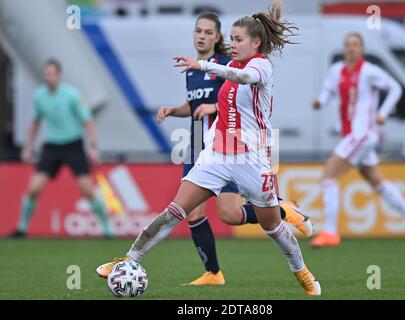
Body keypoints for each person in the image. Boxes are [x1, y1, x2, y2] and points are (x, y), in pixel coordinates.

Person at [97, 0, 321, 296]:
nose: (233, 44)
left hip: (252, 159)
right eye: (231, 39)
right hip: (216, 154)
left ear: (256, 42)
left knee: (273, 228)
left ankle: (302, 272)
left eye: (238, 39)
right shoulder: (229, 64)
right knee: (175, 211)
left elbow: (244, 77)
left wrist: (202, 64)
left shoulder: (262, 66)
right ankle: (127, 260)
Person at [156, 11, 313, 286]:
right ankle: (213, 272)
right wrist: (174, 110)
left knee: (229, 215)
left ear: (217, 37)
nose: (201, 36)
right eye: (198, 31)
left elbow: (237, 96)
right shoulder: (193, 70)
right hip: (197, 145)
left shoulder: (229, 64)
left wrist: (214, 107)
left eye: (208, 32)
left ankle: (281, 211)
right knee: (193, 212)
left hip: (229, 147)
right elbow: (193, 105)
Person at [310, 33, 405, 248]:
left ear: (362, 49)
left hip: (362, 134)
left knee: (328, 176)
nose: (351, 49)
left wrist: (383, 112)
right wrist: (320, 102)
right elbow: (327, 91)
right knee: (377, 182)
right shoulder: (337, 71)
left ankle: (330, 232)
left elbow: (395, 88)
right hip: (351, 135)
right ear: (344, 49)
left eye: (355, 45)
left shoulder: (370, 71)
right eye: (348, 45)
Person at [9, 59, 114, 238]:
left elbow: (87, 121)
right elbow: (36, 121)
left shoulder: (72, 95)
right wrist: (28, 146)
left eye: (51, 74)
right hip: (52, 146)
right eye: (46, 74)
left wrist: (93, 147)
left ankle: (107, 228)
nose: (47, 77)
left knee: (87, 189)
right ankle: (21, 229)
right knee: (34, 188)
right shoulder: (40, 95)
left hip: (73, 145)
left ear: (59, 75)